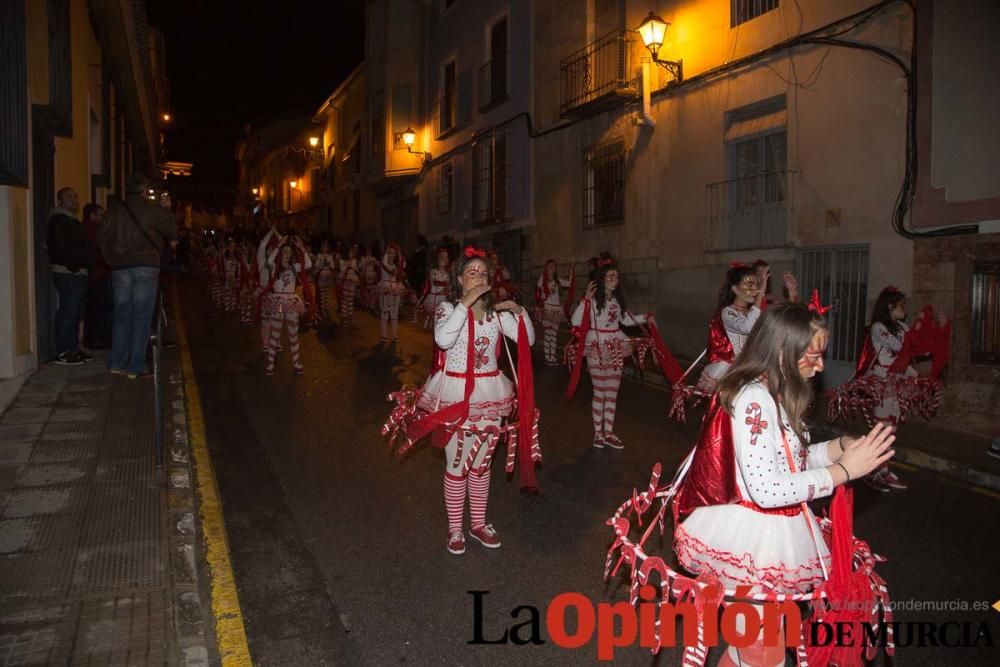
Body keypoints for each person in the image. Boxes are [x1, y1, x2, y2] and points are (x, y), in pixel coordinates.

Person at [672, 303, 896, 667]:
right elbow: (766, 488)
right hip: (753, 539)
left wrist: (840, 449)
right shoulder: (754, 399)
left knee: (757, 650)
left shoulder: (771, 392)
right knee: (762, 653)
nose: (821, 366)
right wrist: (843, 472)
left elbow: (792, 457)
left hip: (771, 535)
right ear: (781, 351)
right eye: (814, 355)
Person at [411, 248, 535, 554]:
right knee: (457, 464)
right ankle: (455, 530)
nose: (479, 277)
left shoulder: (495, 314)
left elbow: (528, 340)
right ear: (460, 280)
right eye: (472, 273)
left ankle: (478, 523)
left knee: (481, 464)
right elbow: (443, 339)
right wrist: (465, 304)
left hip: (490, 394)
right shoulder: (447, 309)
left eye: (483, 273)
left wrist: (519, 312)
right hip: (456, 394)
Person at [568, 257, 653, 449]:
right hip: (597, 346)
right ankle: (598, 433)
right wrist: (585, 299)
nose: (615, 279)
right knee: (600, 392)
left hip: (615, 346)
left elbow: (627, 320)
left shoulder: (617, 300)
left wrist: (646, 317)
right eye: (610, 276)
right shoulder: (591, 300)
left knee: (612, 393)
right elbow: (575, 320)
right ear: (602, 279)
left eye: (616, 275)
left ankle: (609, 432)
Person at [97, 173, 177, 378]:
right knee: (142, 315)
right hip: (145, 265)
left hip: (120, 267)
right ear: (144, 190)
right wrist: (167, 210)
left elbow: (101, 238)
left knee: (122, 314)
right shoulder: (153, 209)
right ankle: (135, 365)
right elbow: (173, 233)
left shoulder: (113, 211)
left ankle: (116, 362)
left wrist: (112, 260)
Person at [694, 263, 766, 395]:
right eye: (750, 285)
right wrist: (761, 294)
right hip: (731, 372)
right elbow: (747, 327)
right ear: (735, 289)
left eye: (757, 285)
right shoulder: (727, 312)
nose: (755, 290)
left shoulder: (753, 312)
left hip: (751, 368)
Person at [47, 187, 96, 364]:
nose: (74, 200)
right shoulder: (59, 221)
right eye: (69, 197)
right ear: (60, 201)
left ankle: (73, 348)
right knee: (68, 312)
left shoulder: (72, 221)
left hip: (78, 272)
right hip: (68, 273)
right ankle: (63, 351)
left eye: (75, 197)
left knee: (76, 313)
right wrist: (75, 265)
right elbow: (60, 248)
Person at [262, 236, 312, 375]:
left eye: (289, 252)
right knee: (275, 334)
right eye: (285, 252)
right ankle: (270, 364)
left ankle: (296, 363)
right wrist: (279, 245)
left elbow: (308, 264)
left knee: (293, 334)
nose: (287, 254)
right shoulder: (275, 267)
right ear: (281, 253)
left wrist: (302, 248)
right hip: (278, 301)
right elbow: (270, 260)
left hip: (291, 302)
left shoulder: (294, 267)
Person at [82, 203, 111, 351]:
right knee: (97, 308)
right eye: (100, 215)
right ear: (92, 216)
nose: (103, 217)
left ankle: (95, 338)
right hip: (96, 275)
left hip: (97, 274)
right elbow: (98, 251)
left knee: (97, 308)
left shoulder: (92, 229)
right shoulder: (92, 231)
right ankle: (95, 339)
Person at [535, 259, 575, 366]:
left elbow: (570, 284)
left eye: (554, 266)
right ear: (546, 268)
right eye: (550, 266)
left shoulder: (557, 281)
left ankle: (552, 356)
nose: (552, 268)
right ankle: (548, 357)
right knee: (548, 333)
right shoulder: (542, 279)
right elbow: (538, 292)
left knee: (554, 334)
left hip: (556, 309)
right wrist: (540, 301)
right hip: (547, 308)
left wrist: (571, 272)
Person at [415, 247, 452, 330]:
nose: (444, 259)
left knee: (440, 319)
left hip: (443, 298)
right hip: (435, 298)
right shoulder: (434, 271)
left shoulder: (448, 273)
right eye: (442, 257)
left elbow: (448, 286)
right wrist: (446, 287)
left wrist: (449, 288)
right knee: (432, 318)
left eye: (446, 257)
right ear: (438, 258)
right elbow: (435, 283)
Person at [378, 243, 406, 344]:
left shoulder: (396, 266)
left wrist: (398, 253)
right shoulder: (383, 265)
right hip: (386, 288)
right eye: (389, 253)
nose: (391, 255)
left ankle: (394, 335)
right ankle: (383, 335)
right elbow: (384, 263)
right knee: (385, 312)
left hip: (395, 289)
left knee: (394, 312)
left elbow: (402, 264)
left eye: (393, 253)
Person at [339, 245, 361, 326]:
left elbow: (357, 269)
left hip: (353, 279)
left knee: (350, 299)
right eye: (351, 252)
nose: (352, 254)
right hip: (345, 280)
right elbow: (342, 269)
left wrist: (354, 265)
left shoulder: (354, 261)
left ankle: (349, 316)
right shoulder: (342, 260)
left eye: (352, 252)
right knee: (345, 299)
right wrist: (348, 263)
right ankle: (344, 316)